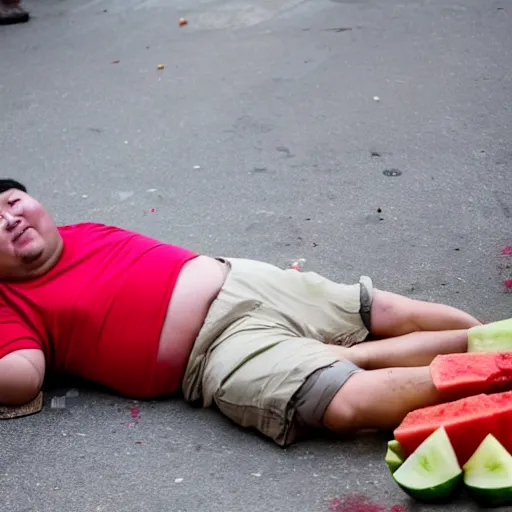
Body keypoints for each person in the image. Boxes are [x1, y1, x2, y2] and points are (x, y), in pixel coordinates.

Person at [0, 178, 484, 446]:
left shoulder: (82, 231)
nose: (11, 219)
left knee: (386, 309)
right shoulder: (10, 303)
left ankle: (492, 340)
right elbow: (22, 377)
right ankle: (496, 385)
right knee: (344, 402)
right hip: (216, 352)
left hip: (247, 279)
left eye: (13, 201)